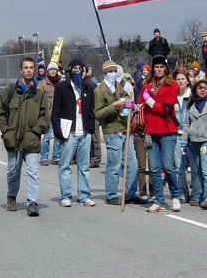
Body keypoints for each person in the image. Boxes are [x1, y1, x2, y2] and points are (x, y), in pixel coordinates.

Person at [0, 57, 49, 217]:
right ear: (20, 70)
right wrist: (7, 131)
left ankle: (32, 202)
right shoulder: (10, 91)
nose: (28, 70)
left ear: (34, 71)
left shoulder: (38, 94)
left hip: (31, 140)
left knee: (33, 171)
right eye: (25, 67)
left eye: (31, 67)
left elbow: (44, 117)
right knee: (13, 170)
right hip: (13, 140)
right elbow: (1, 116)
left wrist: (35, 131)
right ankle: (11, 197)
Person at [94, 60, 147, 206]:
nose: (112, 74)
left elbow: (128, 99)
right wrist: (113, 106)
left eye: (113, 71)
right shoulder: (99, 91)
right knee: (115, 164)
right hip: (112, 131)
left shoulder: (119, 87)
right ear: (104, 74)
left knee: (132, 163)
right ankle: (111, 194)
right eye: (109, 72)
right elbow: (98, 114)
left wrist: (131, 105)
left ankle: (130, 192)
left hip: (125, 129)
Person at [51, 59, 96, 207]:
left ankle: (84, 195)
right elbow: (55, 112)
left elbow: (90, 111)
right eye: (75, 68)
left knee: (84, 166)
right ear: (70, 71)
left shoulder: (88, 89)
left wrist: (90, 130)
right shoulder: (62, 88)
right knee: (65, 166)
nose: (78, 71)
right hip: (68, 133)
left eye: (80, 69)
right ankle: (65, 195)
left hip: (84, 133)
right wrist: (59, 133)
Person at [140, 55, 180, 212]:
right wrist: (135, 106)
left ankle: (175, 195)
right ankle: (160, 200)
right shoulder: (146, 86)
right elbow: (142, 105)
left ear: (166, 69)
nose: (159, 69)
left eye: (162, 67)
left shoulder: (173, 86)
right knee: (154, 168)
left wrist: (149, 101)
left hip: (167, 130)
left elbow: (166, 109)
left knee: (169, 166)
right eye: (156, 67)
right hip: (151, 131)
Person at [181, 80, 207, 209]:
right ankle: (196, 195)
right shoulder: (191, 105)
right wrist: (183, 140)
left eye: (205, 88)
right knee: (195, 170)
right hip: (193, 141)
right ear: (195, 91)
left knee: (206, 169)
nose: (202, 90)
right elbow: (186, 124)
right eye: (199, 88)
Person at [173, 71, 192, 203]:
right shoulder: (172, 97)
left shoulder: (192, 97)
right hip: (176, 134)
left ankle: (197, 193)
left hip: (192, 135)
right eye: (178, 79)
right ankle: (182, 193)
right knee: (178, 167)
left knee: (196, 168)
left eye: (183, 79)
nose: (180, 81)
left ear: (187, 81)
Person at [38, 62, 61, 166]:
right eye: (51, 69)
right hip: (47, 115)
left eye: (54, 69)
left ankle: (56, 157)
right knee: (46, 137)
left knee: (58, 137)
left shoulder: (61, 83)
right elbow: (38, 101)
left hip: (58, 115)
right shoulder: (42, 84)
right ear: (48, 71)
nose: (52, 71)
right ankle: (44, 157)